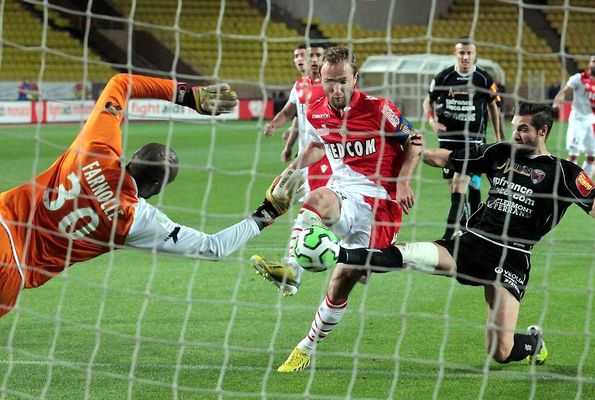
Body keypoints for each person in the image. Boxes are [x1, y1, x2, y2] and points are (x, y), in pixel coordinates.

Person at [316, 103, 595, 370]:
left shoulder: (565, 173)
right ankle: (336, 253)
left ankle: (533, 343)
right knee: (409, 255)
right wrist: (411, 149)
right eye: (515, 126)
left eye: (523, 128)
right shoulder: (500, 152)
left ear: (543, 132)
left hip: (512, 258)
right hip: (472, 243)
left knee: (500, 351)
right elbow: (448, 158)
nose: (515, 133)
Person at [0, 73, 301, 318]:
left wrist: (187, 95)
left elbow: (120, 83)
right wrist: (268, 211)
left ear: (132, 157)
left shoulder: (96, 150)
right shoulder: (134, 220)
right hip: (14, 271)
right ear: (158, 187)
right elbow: (214, 248)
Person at [250, 47, 422, 372]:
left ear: (355, 78)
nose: (336, 89)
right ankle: (298, 264)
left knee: (342, 279)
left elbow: (413, 141)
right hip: (344, 192)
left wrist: (403, 181)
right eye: (330, 82)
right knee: (315, 200)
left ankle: (307, 344)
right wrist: (292, 170)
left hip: (380, 206)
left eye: (342, 81)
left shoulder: (379, 109)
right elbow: (317, 145)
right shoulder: (317, 111)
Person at [423, 37, 503, 239]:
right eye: (462, 53)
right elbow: (428, 101)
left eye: (469, 53)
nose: (466, 57)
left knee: (461, 183)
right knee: (456, 187)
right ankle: (470, 226)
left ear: (474, 55)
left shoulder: (484, 79)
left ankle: (449, 235)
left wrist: (499, 136)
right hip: (448, 141)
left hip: (474, 141)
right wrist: (432, 121)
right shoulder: (443, 78)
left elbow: (493, 106)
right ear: (455, 54)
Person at [263, 43, 332, 186]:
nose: (314, 60)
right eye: (310, 56)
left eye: (318, 56)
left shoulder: (331, 86)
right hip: (304, 152)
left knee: (317, 201)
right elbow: (289, 112)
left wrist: (324, 132)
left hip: (324, 152)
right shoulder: (299, 85)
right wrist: (274, 125)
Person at [552, 54, 595, 176]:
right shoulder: (579, 78)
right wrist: (557, 101)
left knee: (591, 155)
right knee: (573, 154)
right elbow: (563, 92)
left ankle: (585, 182)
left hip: (593, 121)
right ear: (589, 63)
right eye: (594, 61)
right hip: (577, 119)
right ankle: (567, 181)